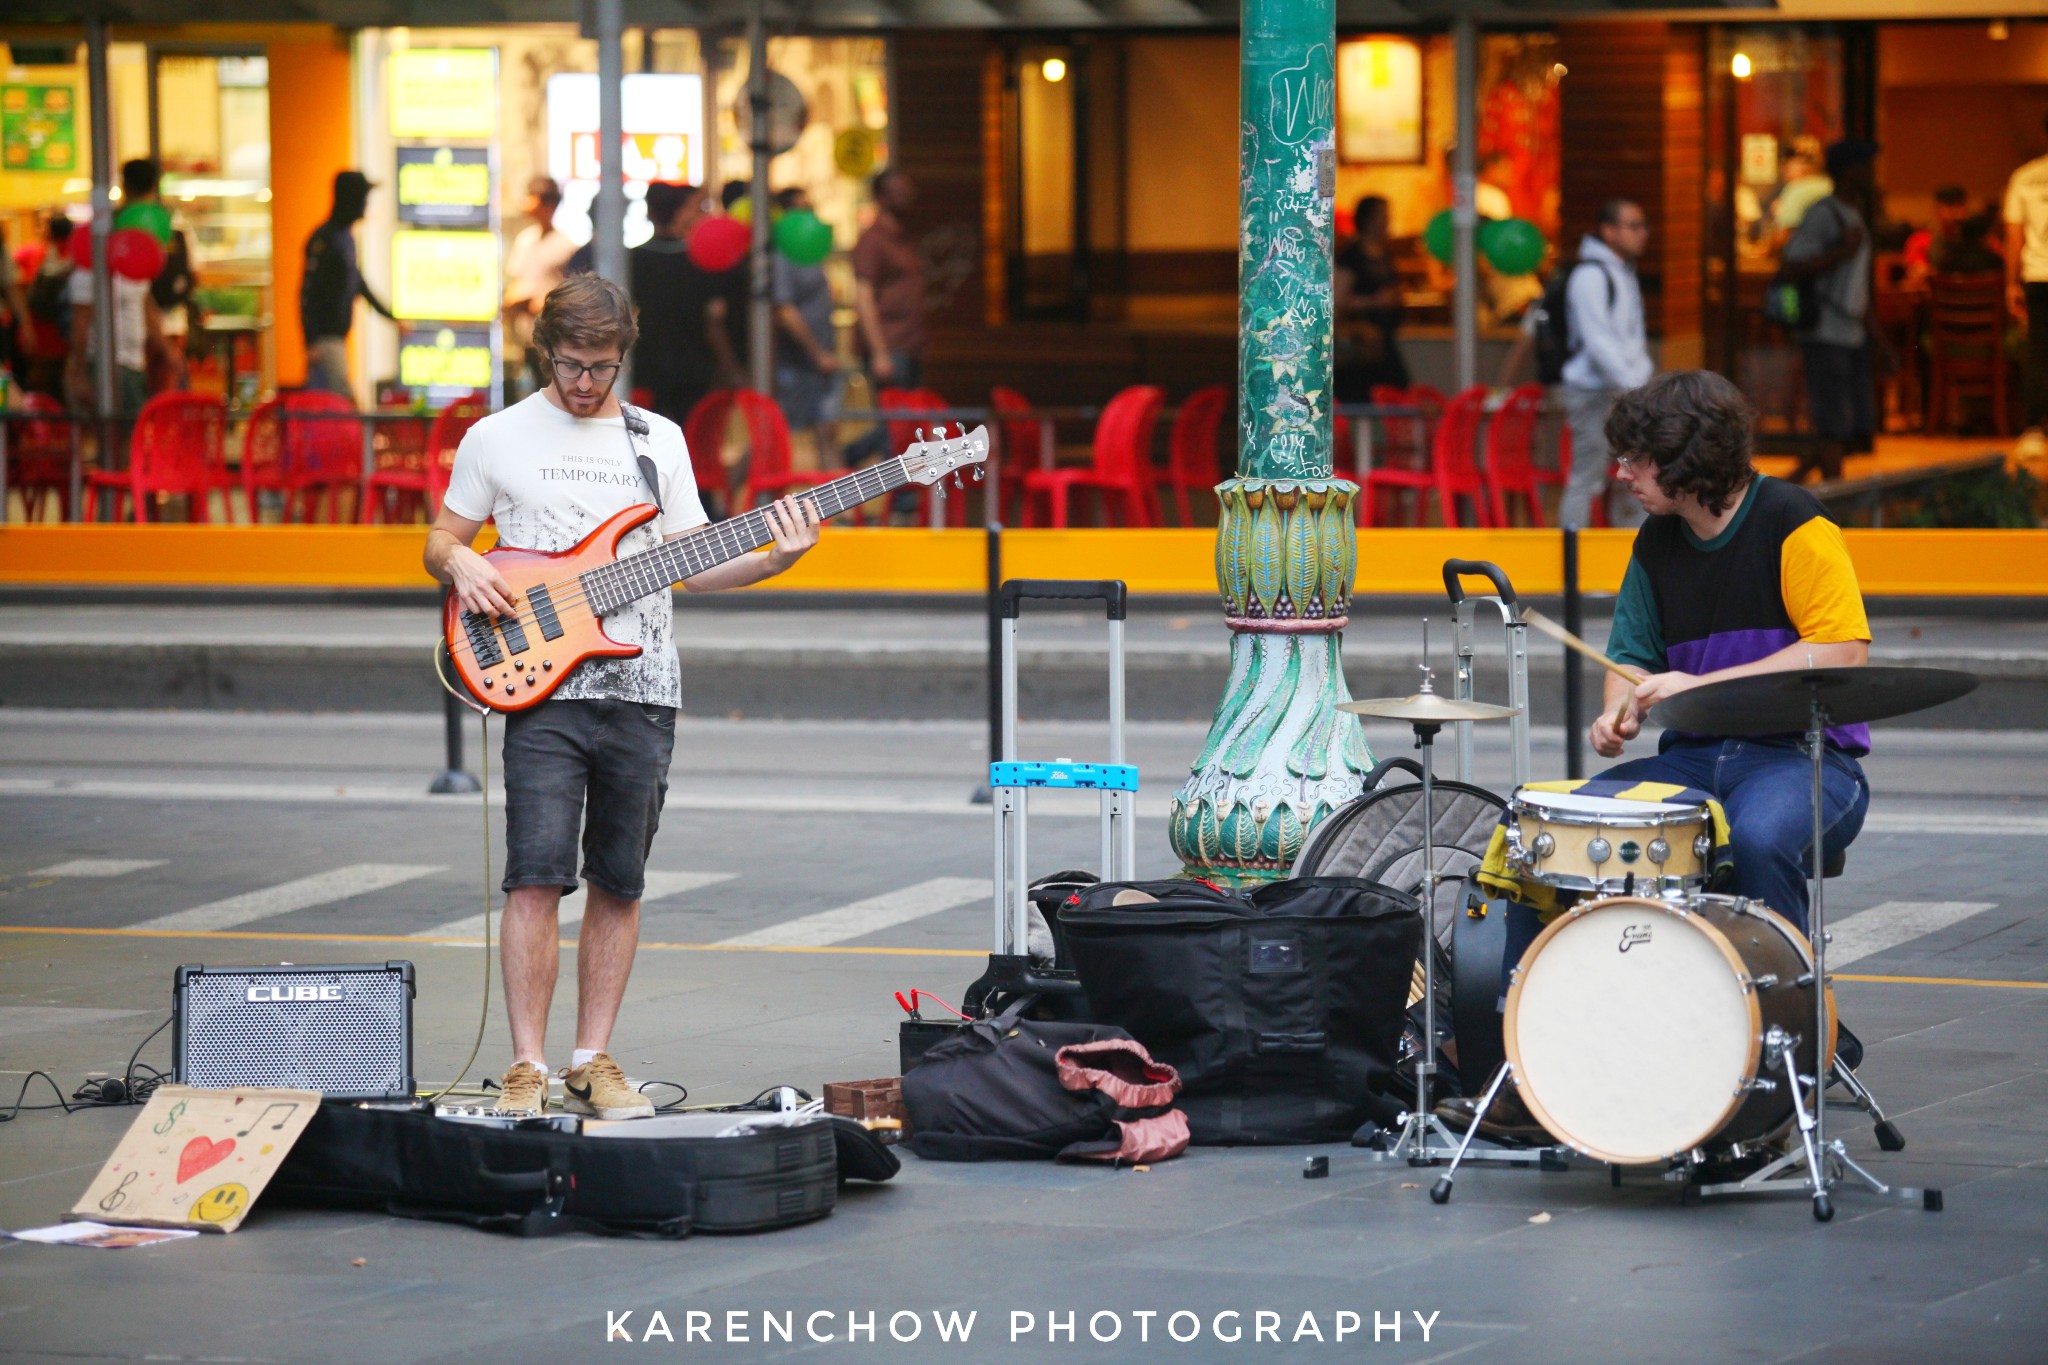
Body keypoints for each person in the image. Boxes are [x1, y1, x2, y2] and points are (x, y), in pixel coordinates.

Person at [424, 274, 823, 1117]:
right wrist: (460, 560)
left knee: (621, 879)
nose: (584, 383)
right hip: (539, 690)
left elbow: (692, 558)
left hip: (644, 686)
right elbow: (441, 539)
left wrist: (774, 559)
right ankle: (525, 1064)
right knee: (533, 875)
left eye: (601, 366)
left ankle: (591, 1056)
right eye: (570, 364)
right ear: (546, 353)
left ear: (622, 357)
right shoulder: (496, 436)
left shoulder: (658, 442)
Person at [1441, 371, 1873, 1142]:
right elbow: (1633, 654)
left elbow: (1840, 650)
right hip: (1697, 758)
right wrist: (1617, 712)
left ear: (1683, 459)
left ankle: (1778, 1072)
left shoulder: (1796, 523)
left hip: (1804, 758)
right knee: (1548, 828)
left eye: (1636, 458)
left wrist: (1700, 680)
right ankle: (1531, 1068)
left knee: (1761, 834)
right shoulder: (1657, 542)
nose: (1622, 473)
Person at [1780, 139, 1879, 483]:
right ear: (1848, 172)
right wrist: (1839, 252)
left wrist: (1876, 337)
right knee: (1833, 417)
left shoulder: (1853, 214)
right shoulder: (1825, 213)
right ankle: (1833, 493)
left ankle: (1803, 477)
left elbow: (1857, 286)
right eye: (1863, 165)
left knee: (1847, 420)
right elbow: (1791, 266)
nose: (1869, 173)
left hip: (1849, 330)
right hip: (1825, 329)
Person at [1558, 197, 1653, 530]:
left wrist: (1638, 385)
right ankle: (1572, 568)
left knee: (1636, 473)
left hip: (1623, 391)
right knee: (1587, 475)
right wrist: (1635, 386)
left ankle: (1627, 557)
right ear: (1608, 231)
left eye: (1643, 225)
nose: (1643, 233)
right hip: (1594, 392)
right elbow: (1598, 342)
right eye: (1633, 226)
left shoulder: (1622, 273)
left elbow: (1630, 340)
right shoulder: (1591, 276)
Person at [628, 181, 742, 433]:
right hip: (695, 372)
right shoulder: (700, 261)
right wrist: (730, 366)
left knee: (647, 443)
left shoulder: (631, 261)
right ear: (680, 212)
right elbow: (714, 319)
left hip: (646, 370)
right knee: (692, 447)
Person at [65, 159, 164, 417]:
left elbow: (145, 304)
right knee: (119, 432)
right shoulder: (90, 270)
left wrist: (165, 347)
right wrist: (78, 369)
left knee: (129, 433)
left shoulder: (131, 262)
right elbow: (80, 321)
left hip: (132, 361)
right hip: (106, 361)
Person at [301, 170, 397, 396]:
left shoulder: (344, 239)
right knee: (339, 405)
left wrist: (391, 316)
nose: (366, 204)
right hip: (326, 340)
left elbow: (358, 283)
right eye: (363, 197)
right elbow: (307, 293)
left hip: (334, 340)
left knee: (334, 404)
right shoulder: (327, 239)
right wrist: (311, 339)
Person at [771, 185, 842, 461]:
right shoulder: (784, 255)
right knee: (778, 432)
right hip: (798, 363)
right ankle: (734, 481)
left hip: (819, 360)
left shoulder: (809, 252)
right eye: (803, 209)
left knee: (827, 432)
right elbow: (784, 310)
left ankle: (838, 502)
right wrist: (817, 354)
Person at [503, 176, 576, 397]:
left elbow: (571, 294)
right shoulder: (526, 240)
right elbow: (516, 279)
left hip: (554, 335)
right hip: (525, 332)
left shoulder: (565, 245)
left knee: (554, 389)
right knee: (531, 390)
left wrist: (542, 304)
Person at [1333, 195, 1408, 401]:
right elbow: (1339, 299)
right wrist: (1376, 301)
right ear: (1368, 220)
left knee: (1394, 394)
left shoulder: (1384, 254)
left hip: (1383, 339)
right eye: (1382, 216)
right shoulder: (1352, 256)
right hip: (1361, 344)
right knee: (1366, 396)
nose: (1387, 221)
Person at [2004, 116, 2048, 450]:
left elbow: (2014, 237)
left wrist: (2011, 283)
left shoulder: (2024, 177)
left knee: (2038, 352)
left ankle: (2033, 429)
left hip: (2037, 273)